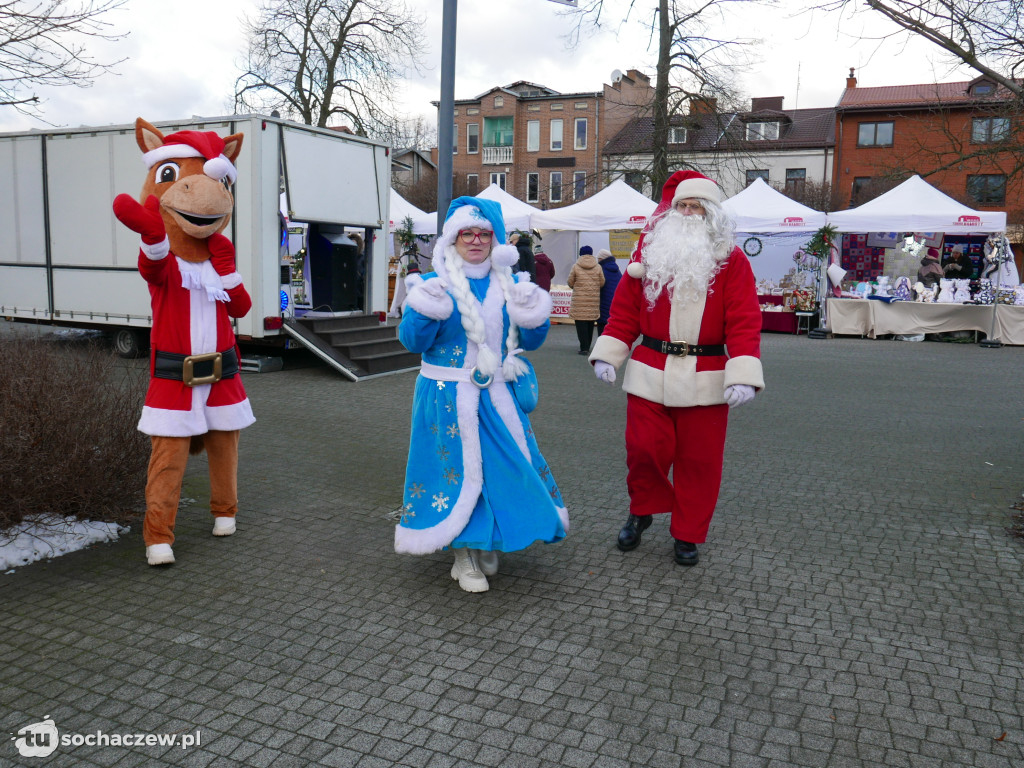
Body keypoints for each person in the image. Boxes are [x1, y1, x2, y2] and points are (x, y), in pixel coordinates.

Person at [589, 170, 763, 567]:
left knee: (700, 463)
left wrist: (743, 373)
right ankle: (643, 510)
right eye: (682, 205)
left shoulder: (731, 261)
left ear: (711, 214)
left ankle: (687, 534)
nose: (687, 213)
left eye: (696, 207)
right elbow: (625, 311)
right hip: (650, 367)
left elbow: (743, 319)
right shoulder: (650, 255)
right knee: (643, 450)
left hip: (708, 373)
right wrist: (609, 353)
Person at [395, 196, 568, 593]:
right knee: (455, 474)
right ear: (453, 240)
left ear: (496, 240)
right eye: (466, 234)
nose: (475, 241)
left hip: (497, 398)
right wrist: (423, 309)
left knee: (500, 471)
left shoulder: (508, 284)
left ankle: (487, 537)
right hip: (446, 398)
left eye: (483, 234)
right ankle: (464, 553)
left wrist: (532, 313)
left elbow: (532, 341)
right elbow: (411, 342)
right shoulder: (434, 284)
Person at [568, 245, 604, 354]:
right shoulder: (598, 267)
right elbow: (602, 282)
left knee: (580, 324)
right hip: (593, 301)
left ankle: (583, 348)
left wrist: (577, 286)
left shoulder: (576, 266)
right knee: (590, 324)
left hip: (579, 301)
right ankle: (588, 346)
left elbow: (570, 282)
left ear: (581, 254)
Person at [596, 248, 622, 337]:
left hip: (603, 301)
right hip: (615, 302)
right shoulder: (618, 271)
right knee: (612, 326)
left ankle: (601, 344)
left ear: (601, 259)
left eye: (598, 258)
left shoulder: (601, 270)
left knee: (602, 325)